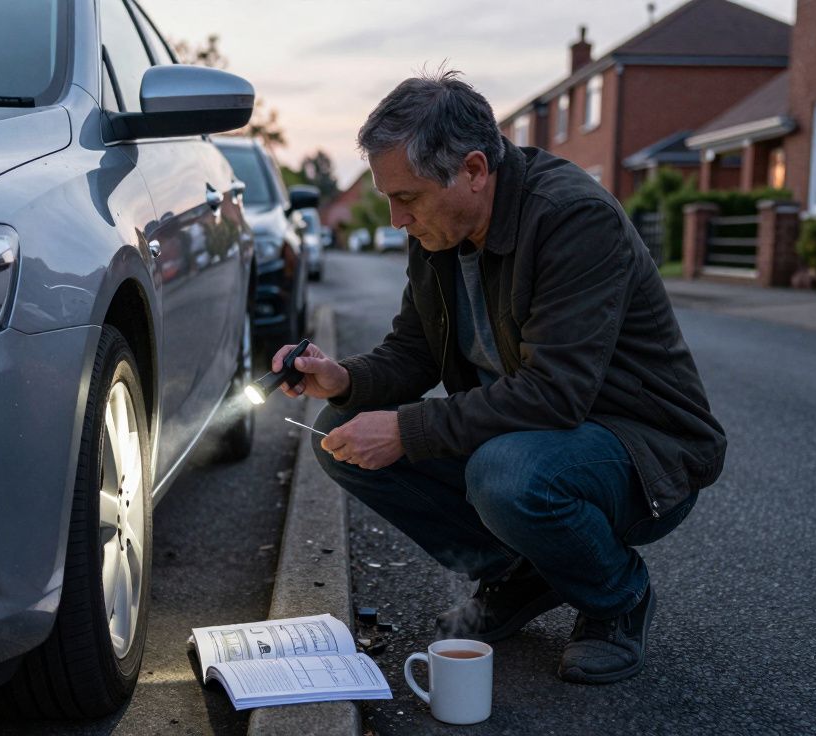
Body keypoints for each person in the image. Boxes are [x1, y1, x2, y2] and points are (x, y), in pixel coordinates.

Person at [269, 70, 726, 684]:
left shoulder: (572, 218)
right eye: (388, 198)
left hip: (640, 450)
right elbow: (414, 352)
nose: (397, 218)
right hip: (532, 438)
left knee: (505, 475)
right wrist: (342, 379)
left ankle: (617, 597)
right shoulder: (438, 229)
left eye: (407, 197)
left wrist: (408, 428)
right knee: (342, 434)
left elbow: (556, 393)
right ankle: (528, 573)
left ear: (475, 169)